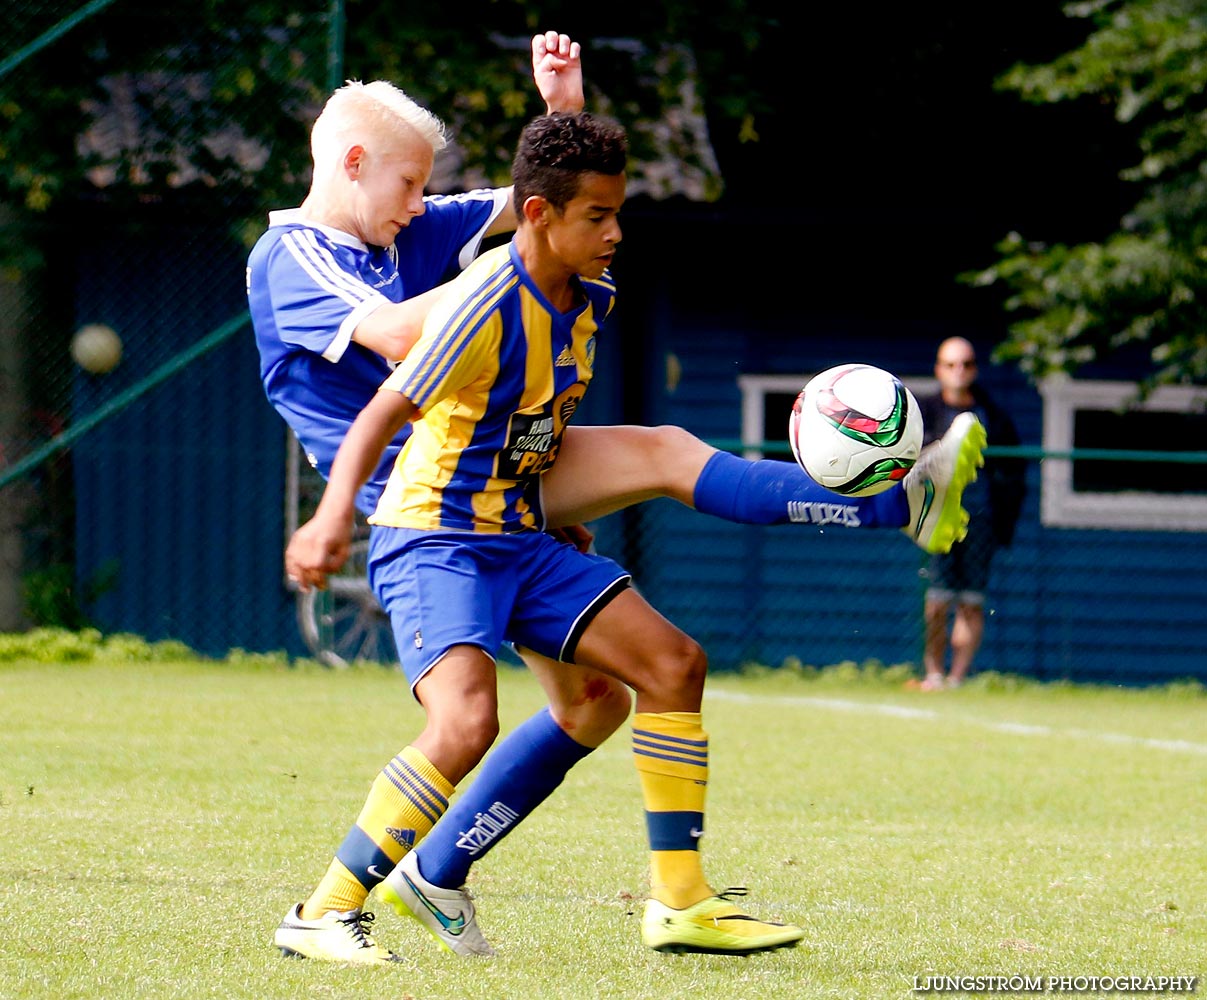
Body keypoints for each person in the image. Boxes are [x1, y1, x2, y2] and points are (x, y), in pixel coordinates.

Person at [249, 37, 985, 964]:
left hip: (505, 479)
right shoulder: (295, 255)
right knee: (647, 472)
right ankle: (892, 503)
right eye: (408, 186)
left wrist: (561, 108)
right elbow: (411, 329)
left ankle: (446, 875)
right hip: (423, 490)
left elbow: (543, 200)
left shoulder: (412, 227)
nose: (421, 206)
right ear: (352, 166)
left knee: (599, 697)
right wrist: (502, 292)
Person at [285, 109, 810, 959]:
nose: (614, 232)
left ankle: (680, 902)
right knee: (464, 723)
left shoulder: (587, 294)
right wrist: (331, 515)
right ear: (540, 217)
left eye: (617, 212)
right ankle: (321, 911)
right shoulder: (481, 302)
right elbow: (384, 410)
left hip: (521, 534)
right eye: (596, 216)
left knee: (672, 665)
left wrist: (557, 517)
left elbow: (530, 422)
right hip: (435, 537)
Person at [916, 337, 1025, 690]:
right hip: (938, 518)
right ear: (939, 369)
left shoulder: (993, 415)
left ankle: (956, 678)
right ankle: (933, 674)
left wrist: (1003, 524)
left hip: (981, 519)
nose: (958, 371)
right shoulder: (925, 413)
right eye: (950, 364)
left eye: (965, 364)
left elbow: (1013, 472)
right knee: (937, 601)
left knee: (971, 602)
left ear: (974, 369)